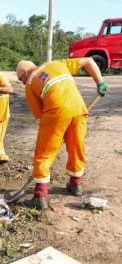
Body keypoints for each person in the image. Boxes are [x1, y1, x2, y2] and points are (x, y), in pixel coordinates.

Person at [16, 57, 108, 209]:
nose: (22, 82)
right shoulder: (57, 63)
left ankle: (39, 196)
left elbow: (40, 115)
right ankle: (76, 185)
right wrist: (100, 82)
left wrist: (56, 134)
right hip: (79, 109)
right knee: (76, 148)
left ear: (26, 72)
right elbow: (89, 61)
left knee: (43, 153)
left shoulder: (31, 82)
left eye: (21, 79)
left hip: (56, 113)